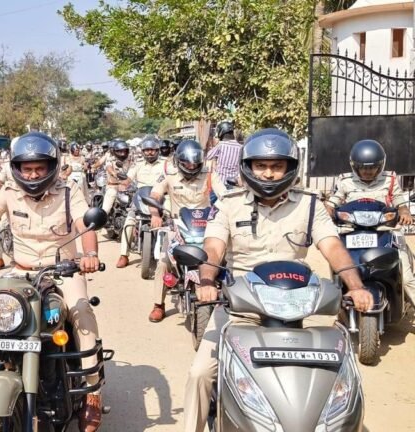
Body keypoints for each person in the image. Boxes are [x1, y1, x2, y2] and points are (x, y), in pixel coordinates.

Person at [183, 129, 374, 432]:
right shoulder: (229, 204)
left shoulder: (310, 205)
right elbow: (214, 248)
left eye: (276, 166)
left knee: (339, 376)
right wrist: (207, 281)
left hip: (301, 305)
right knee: (200, 373)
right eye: (261, 166)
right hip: (241, 306)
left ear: (289, 168)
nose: (269, 174)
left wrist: (357, 287)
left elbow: (333, 247)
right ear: (248, 167)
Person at [0, 132, 105, 431]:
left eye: (39, 168)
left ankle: (93, 392)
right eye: (27, 168)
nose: (33, 174)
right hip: (20, 273)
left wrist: (90, 253)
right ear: (17, 169)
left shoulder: (70, 190)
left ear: (51, 167)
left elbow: (86, 221)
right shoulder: (8, 192)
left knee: (82, 314)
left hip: (62, 271)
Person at [326, 139, 415, 305]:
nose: (367, 171)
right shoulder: (345, 181)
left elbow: (399, 200)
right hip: (351, 231)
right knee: (338, 264)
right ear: (354, 166)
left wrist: (404, 211)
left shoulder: (390, 179)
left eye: (372, 167)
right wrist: (328, 211)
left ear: (380, 165)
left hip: (385, 230)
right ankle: (338, 304)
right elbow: (333, 202)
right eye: (363, 167)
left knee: (406, 272)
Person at [146, 139, 212, 322]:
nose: (191, 167)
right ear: (179, 162)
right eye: (187, 163)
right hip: (177, 227)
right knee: (163, 262)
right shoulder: (169, 174)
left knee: (221, 259)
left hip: (206, 227)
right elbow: (155, 194)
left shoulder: (210, 175)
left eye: (195, 163)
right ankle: (158, 304)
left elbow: (223, 195)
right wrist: (155, 214)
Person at [115, 137, 166, 268]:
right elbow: (129, 179)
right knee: (130, 221)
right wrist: (123, 184)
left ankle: (171, 255)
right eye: (147, 150)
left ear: (157, 150)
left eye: (152, 150)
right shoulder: (138, 164)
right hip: (140, 198)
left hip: (162, 198)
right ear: (143, 151)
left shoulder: (166, 164)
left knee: (173, 219)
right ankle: (124, 255)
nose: (150, 153)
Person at [94, 139, 131, 219]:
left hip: (127, 188)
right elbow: (108, 167)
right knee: (105, 209)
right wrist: (114, 173)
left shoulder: (130, 160)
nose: (123, 153)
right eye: (120, 151)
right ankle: (100, 226)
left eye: (124, 151)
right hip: (113, 187)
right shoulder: (110, 159)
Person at [206, 120, 242, 203]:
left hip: (220, 184)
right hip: (234, 186)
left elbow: (209, 156)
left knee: (210, 205)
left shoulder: (221, 145)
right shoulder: (241, 147)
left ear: (221, 132)